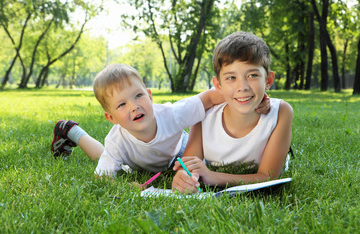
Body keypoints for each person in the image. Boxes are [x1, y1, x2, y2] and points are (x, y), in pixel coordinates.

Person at [51, 63, 271, 178]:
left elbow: (209, 97)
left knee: (213, 163)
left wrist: (251, 99)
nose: (134, 106)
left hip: (181, 153)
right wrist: (132, 187)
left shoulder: (172, 114)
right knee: (103, 159)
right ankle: (70, 131)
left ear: (149, 95)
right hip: (138, 165)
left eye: (138, 96)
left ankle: (71, 130)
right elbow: (103, 178)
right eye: (122, 105)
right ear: (111, 118)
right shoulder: (116, 140)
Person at [172, 31, 293, 193]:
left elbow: (268, 177)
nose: (242, 86)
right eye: (231, 78)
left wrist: (213, 176)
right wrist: (184, 178)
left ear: (268, 80)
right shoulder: (205, 114)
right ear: (218, 84)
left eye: (252, 75)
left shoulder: (280, 112)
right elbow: (188, 165)